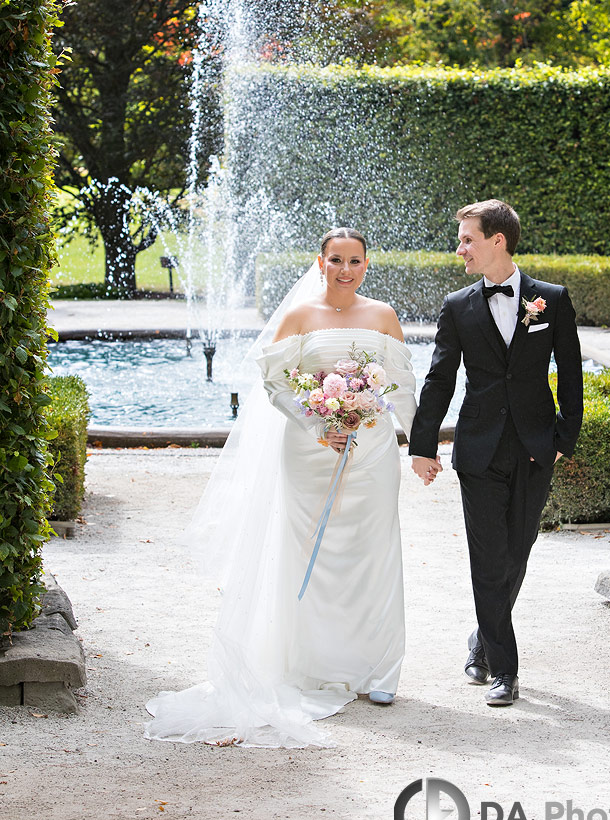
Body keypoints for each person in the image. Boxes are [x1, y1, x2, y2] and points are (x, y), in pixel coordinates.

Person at [144, 228, 416, 747]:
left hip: (372, 456)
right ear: (320, 261)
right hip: (310, 455)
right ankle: (309, 666)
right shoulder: (299, 317)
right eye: (336, 259)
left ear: (366, 264)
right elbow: (275, 384)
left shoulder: (383, 315)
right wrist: (319, 422)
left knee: (375, 554)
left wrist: (422, 445)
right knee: (304, 558)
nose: (345, 269)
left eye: (354, 261)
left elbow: (401, 386)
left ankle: (378, 674)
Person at [409, 200, 583, 707]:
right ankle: (504, 670)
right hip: (478, 450)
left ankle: (482, 641)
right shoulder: (457, 306)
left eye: (467, 239)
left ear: (497, 241)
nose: (459, 248)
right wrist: (423, 447)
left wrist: (561, 441)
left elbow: (571, 376)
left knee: (515, 556)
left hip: (534, 449)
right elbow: (440, 378)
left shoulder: (552, 300)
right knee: (488, 561)